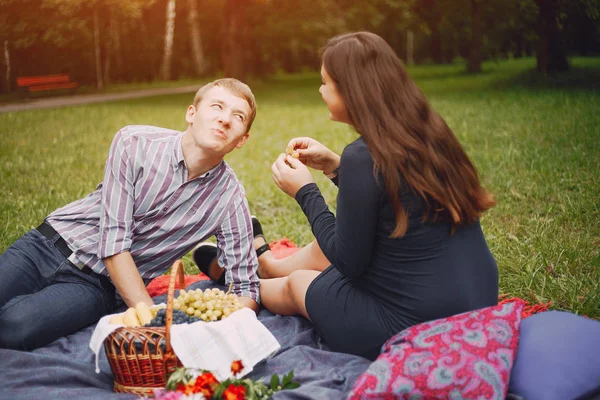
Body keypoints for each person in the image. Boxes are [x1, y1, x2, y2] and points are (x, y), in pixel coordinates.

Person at [259, 32, 499, 361]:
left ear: (351, 90)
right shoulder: (428, 131)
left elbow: (348, 263)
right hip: (478, 302)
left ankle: (243, 286)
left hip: (421, 328)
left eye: (325, 82)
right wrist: (333, 166)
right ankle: (269, 266)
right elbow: (395, 199)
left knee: (299, 283)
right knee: (324, 247)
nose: (320, 90)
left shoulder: (364, 155)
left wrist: (305, 191)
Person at [0, 78, 260, 351]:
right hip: (47, 245)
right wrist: (153, 317)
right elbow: (114, 242)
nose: (225, 119)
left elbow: (246, 288)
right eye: (217, 106)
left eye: (238, 116)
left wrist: (214, 331)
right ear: (191, 114)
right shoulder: (134, 143)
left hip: (96, 287)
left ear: (242, 139)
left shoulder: (229, 198)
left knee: (15, 327)